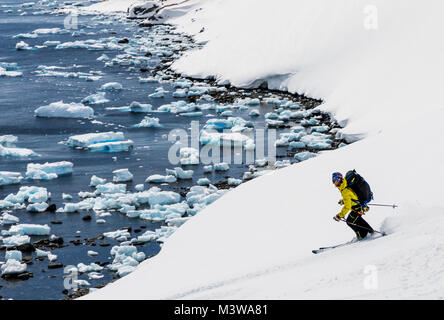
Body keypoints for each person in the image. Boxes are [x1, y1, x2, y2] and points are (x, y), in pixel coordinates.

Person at [332, 172, 374, 240]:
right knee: (357, 220)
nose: (334, 182)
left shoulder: (344, 190)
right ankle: (370, 232)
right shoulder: (344, 186)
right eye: (333, 180)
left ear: (339, 180)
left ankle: (361, 236)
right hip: (359, 206)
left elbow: (347, 206)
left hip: (358, 208)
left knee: (350, 221)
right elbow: (351, 197)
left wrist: (339, 216)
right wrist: (343, 201)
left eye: (335, 180)